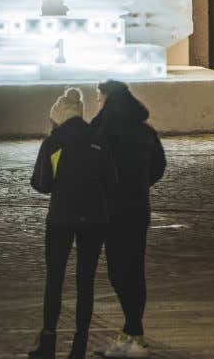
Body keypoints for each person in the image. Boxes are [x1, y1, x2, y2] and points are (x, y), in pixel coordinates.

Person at [28, 88, 116, 359]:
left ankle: (48, 342)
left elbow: (42, 184)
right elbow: (111, 182)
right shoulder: (98, 140)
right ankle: (79, 346)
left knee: (54, 278)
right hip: (94, 220)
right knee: (85, 282)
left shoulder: (54, 142)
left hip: (61, 218)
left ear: (58, 117)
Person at [91, 80, 166, 359]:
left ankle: (137, 335)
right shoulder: (146, 131)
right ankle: (131, 332)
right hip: (138, 209)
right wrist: (140, 184)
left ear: (108, 99)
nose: (98, 103)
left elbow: (94, 168)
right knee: (133, 269)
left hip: (112, 210)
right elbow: (159, 167)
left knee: (118, 272)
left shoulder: (104, 131)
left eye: (100, 98)